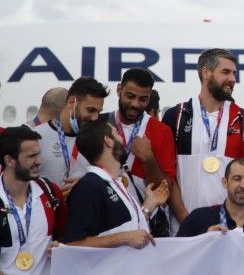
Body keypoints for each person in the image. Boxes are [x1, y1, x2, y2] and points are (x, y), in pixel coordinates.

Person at [161, 48, 244, 226]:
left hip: (230, 231)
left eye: (234, 73)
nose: (232, 79)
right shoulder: (177, 116)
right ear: (206, 73)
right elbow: (167, 178)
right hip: (182, 228)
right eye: (225, 72)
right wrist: (187, 223)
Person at [63, 120, 169, 248]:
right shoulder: (89, 186)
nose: (122, 137)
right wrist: (124, 238)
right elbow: (73, 244)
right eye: (117, 133)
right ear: (108, 140)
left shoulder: (113, 182)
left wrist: (149, 204)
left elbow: (127, 228)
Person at [100, 68, 176, 236]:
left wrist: (148, 158)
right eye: (130, 96)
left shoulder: (161, 131)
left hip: (147, 222)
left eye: (143, 99)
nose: (135, 104)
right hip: (104, 218)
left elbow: (163, 190)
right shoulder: (99, 124)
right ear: (119, 90)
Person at [0, 126, 67, 275]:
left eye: (38, 154)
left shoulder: (50, 192)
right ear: (9, 160)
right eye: (31, 156)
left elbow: (65, 237)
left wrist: (61, 247)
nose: (39, 161)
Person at [36, 76, 108, 199]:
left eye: (98, 112)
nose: (95, 117)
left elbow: (112, 179)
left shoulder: (97, 140)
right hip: (50, 214)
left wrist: (83, 186)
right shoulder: (37, 137)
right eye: (90, 110)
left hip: (82, 215)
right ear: (71, 102)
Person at [177, 158, 244, 240]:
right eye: (237, 178)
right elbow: (178, 255)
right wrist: (204, 241)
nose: (243, 185)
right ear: (225, 182)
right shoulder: (198, 219)